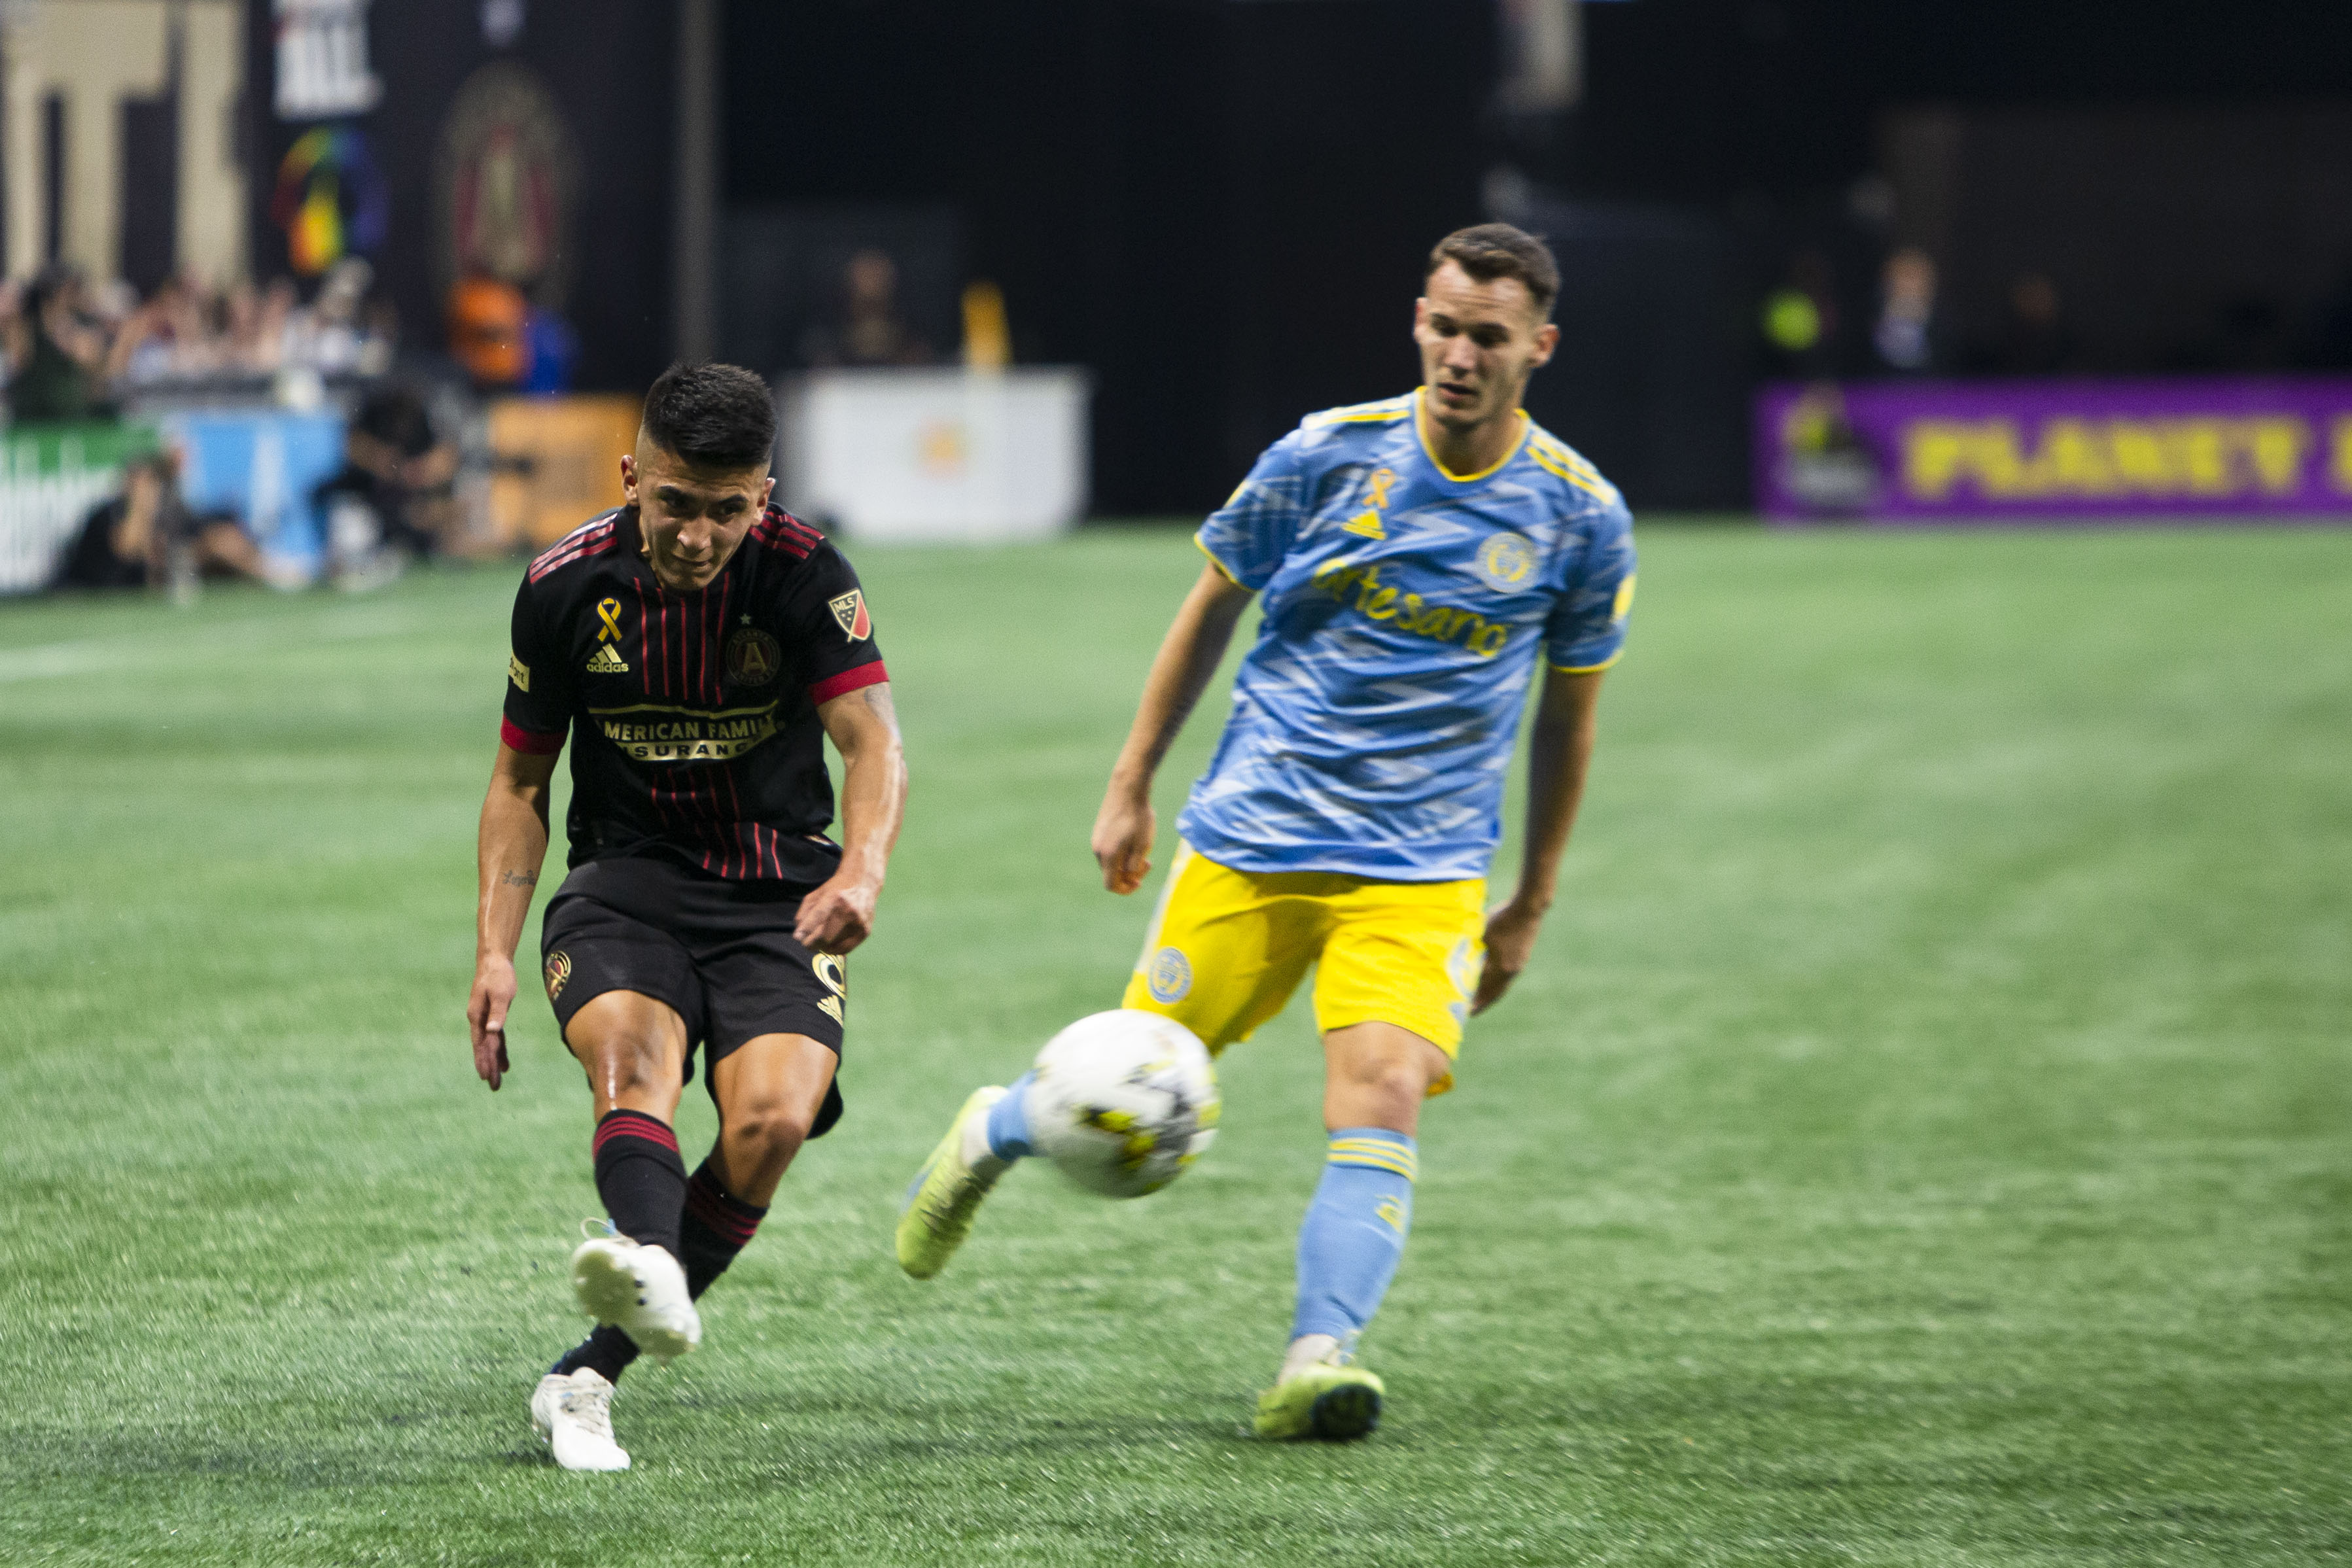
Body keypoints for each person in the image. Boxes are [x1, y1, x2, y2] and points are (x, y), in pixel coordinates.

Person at [893, 223, 1635, 1440]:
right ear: (1419, 321)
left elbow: (1571, 721)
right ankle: (997, 1125)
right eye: (1444, 327)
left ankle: (1317, 1357)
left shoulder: (1580, 517)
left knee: (1384, 1088)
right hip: (1256, 834)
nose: (1459, 355)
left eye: (1488, 338)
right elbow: (1208, 611)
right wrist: (1130, 781)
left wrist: (1532, 899)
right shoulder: (1326, 457)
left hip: (1425, 869)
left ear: (1538, 347)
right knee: (1128, 1092)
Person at [467, 362, 907, 1472]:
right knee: (630, 1058)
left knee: (770, 1126)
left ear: (766, 493)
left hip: (778, 896)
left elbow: (873, 742)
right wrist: (494, 952)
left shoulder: (809, 577)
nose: (701, 535)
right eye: (676, 504)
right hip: (626, 883)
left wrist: (861, 869)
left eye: (729, 508)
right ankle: (648, 1275)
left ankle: (587, 1373)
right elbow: (521, 785)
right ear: (632, 477)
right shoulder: (565, 586)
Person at [52, 453, 273, 593]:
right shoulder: (107, 514)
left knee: (222, 543)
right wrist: (139, 509)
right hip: (99, 588)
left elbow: (193, 533)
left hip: (157, 578)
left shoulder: (166, 512)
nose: (144, 491)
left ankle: (271, 575)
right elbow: (126, 553)